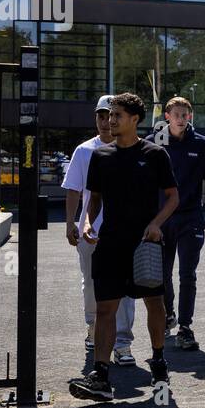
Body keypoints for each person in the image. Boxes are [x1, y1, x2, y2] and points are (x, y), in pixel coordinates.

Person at [68, 93, 180, 402]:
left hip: (146, 244)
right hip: (111, 244)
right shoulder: (100, 156)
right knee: (105, 308)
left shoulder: (155, 154)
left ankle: (158, 361)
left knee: (154, 303)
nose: (110, 120)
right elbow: (94, 200)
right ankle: (101, 375)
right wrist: (88, 223)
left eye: (117, 115)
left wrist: (157, 223)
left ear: (134, 119)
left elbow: (173, 197)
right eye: (108, 115)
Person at [62, 94, 138, 365]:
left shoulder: (134, 151)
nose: (106, 121)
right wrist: (71, 222)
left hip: (124, 233)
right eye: (101, 116)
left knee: (126, 288)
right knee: (92, 284)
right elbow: (74, 189)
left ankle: (122, 343)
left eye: (112, 115)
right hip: (90, 233)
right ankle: (93, 329)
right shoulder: (84, 151)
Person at [147, 96, 205, 351]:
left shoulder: (203, 145)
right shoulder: (155, 143)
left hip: (191, 218)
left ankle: (185, 328)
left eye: (185, 114)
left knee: (187, 274)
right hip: (162, 219)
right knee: (163, 274)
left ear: (190, 117)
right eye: (176, 114)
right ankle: (169, 314)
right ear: (167, 116)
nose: (180, 119)